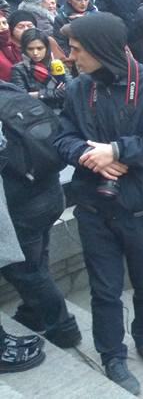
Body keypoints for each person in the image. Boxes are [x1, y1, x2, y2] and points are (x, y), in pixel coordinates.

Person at [53, 13, 143, 395]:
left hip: (142, 210)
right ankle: (112, 354)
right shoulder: (79, 88)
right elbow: (62, 139)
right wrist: (86, 155)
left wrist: (117, 150)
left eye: (77, 50)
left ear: (100, 49)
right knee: (104, 289)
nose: (71, 57)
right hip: (95, 210)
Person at [0, 81, 81, 349]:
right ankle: (33, 313)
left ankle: (63, 328)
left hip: (22, 204)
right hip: (51, 192)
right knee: (37, 259)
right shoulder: (9, 89)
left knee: (23, 270)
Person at [9, 29, 71, 109]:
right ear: (24, 49)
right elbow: (22, 97)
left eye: (39, 48)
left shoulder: (57, 64)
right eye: (30, 49)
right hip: (37, 112)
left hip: (63, 110)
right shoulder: (19, 70)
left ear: (47, 48)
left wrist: (37, 94)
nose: (35, 53)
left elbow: (70, 89)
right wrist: (55, 93)